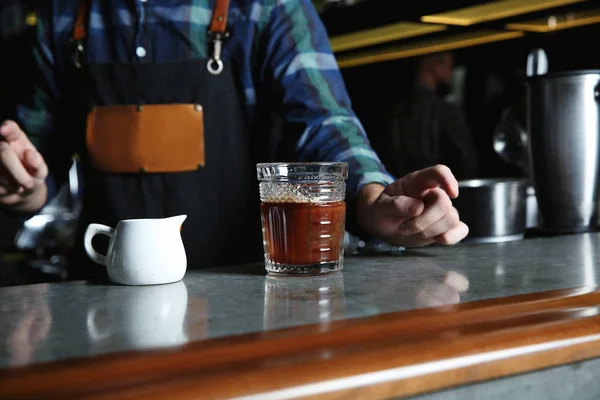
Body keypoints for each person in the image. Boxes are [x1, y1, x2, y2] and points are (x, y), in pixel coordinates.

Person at [0, 0, 468, 280]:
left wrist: (371, 197)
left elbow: (325, 123)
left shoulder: (264, 6)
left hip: (241, 295)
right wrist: (22, 182)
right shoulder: (65, 12)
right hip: (101, 296)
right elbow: (41, 152)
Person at [376, 51, 479, 180]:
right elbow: (466, 160)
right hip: (441, 192)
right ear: (434, 65)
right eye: (450, 66)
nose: (451, 72)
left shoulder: (395, 111)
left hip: (400, 191)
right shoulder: (445, 110)